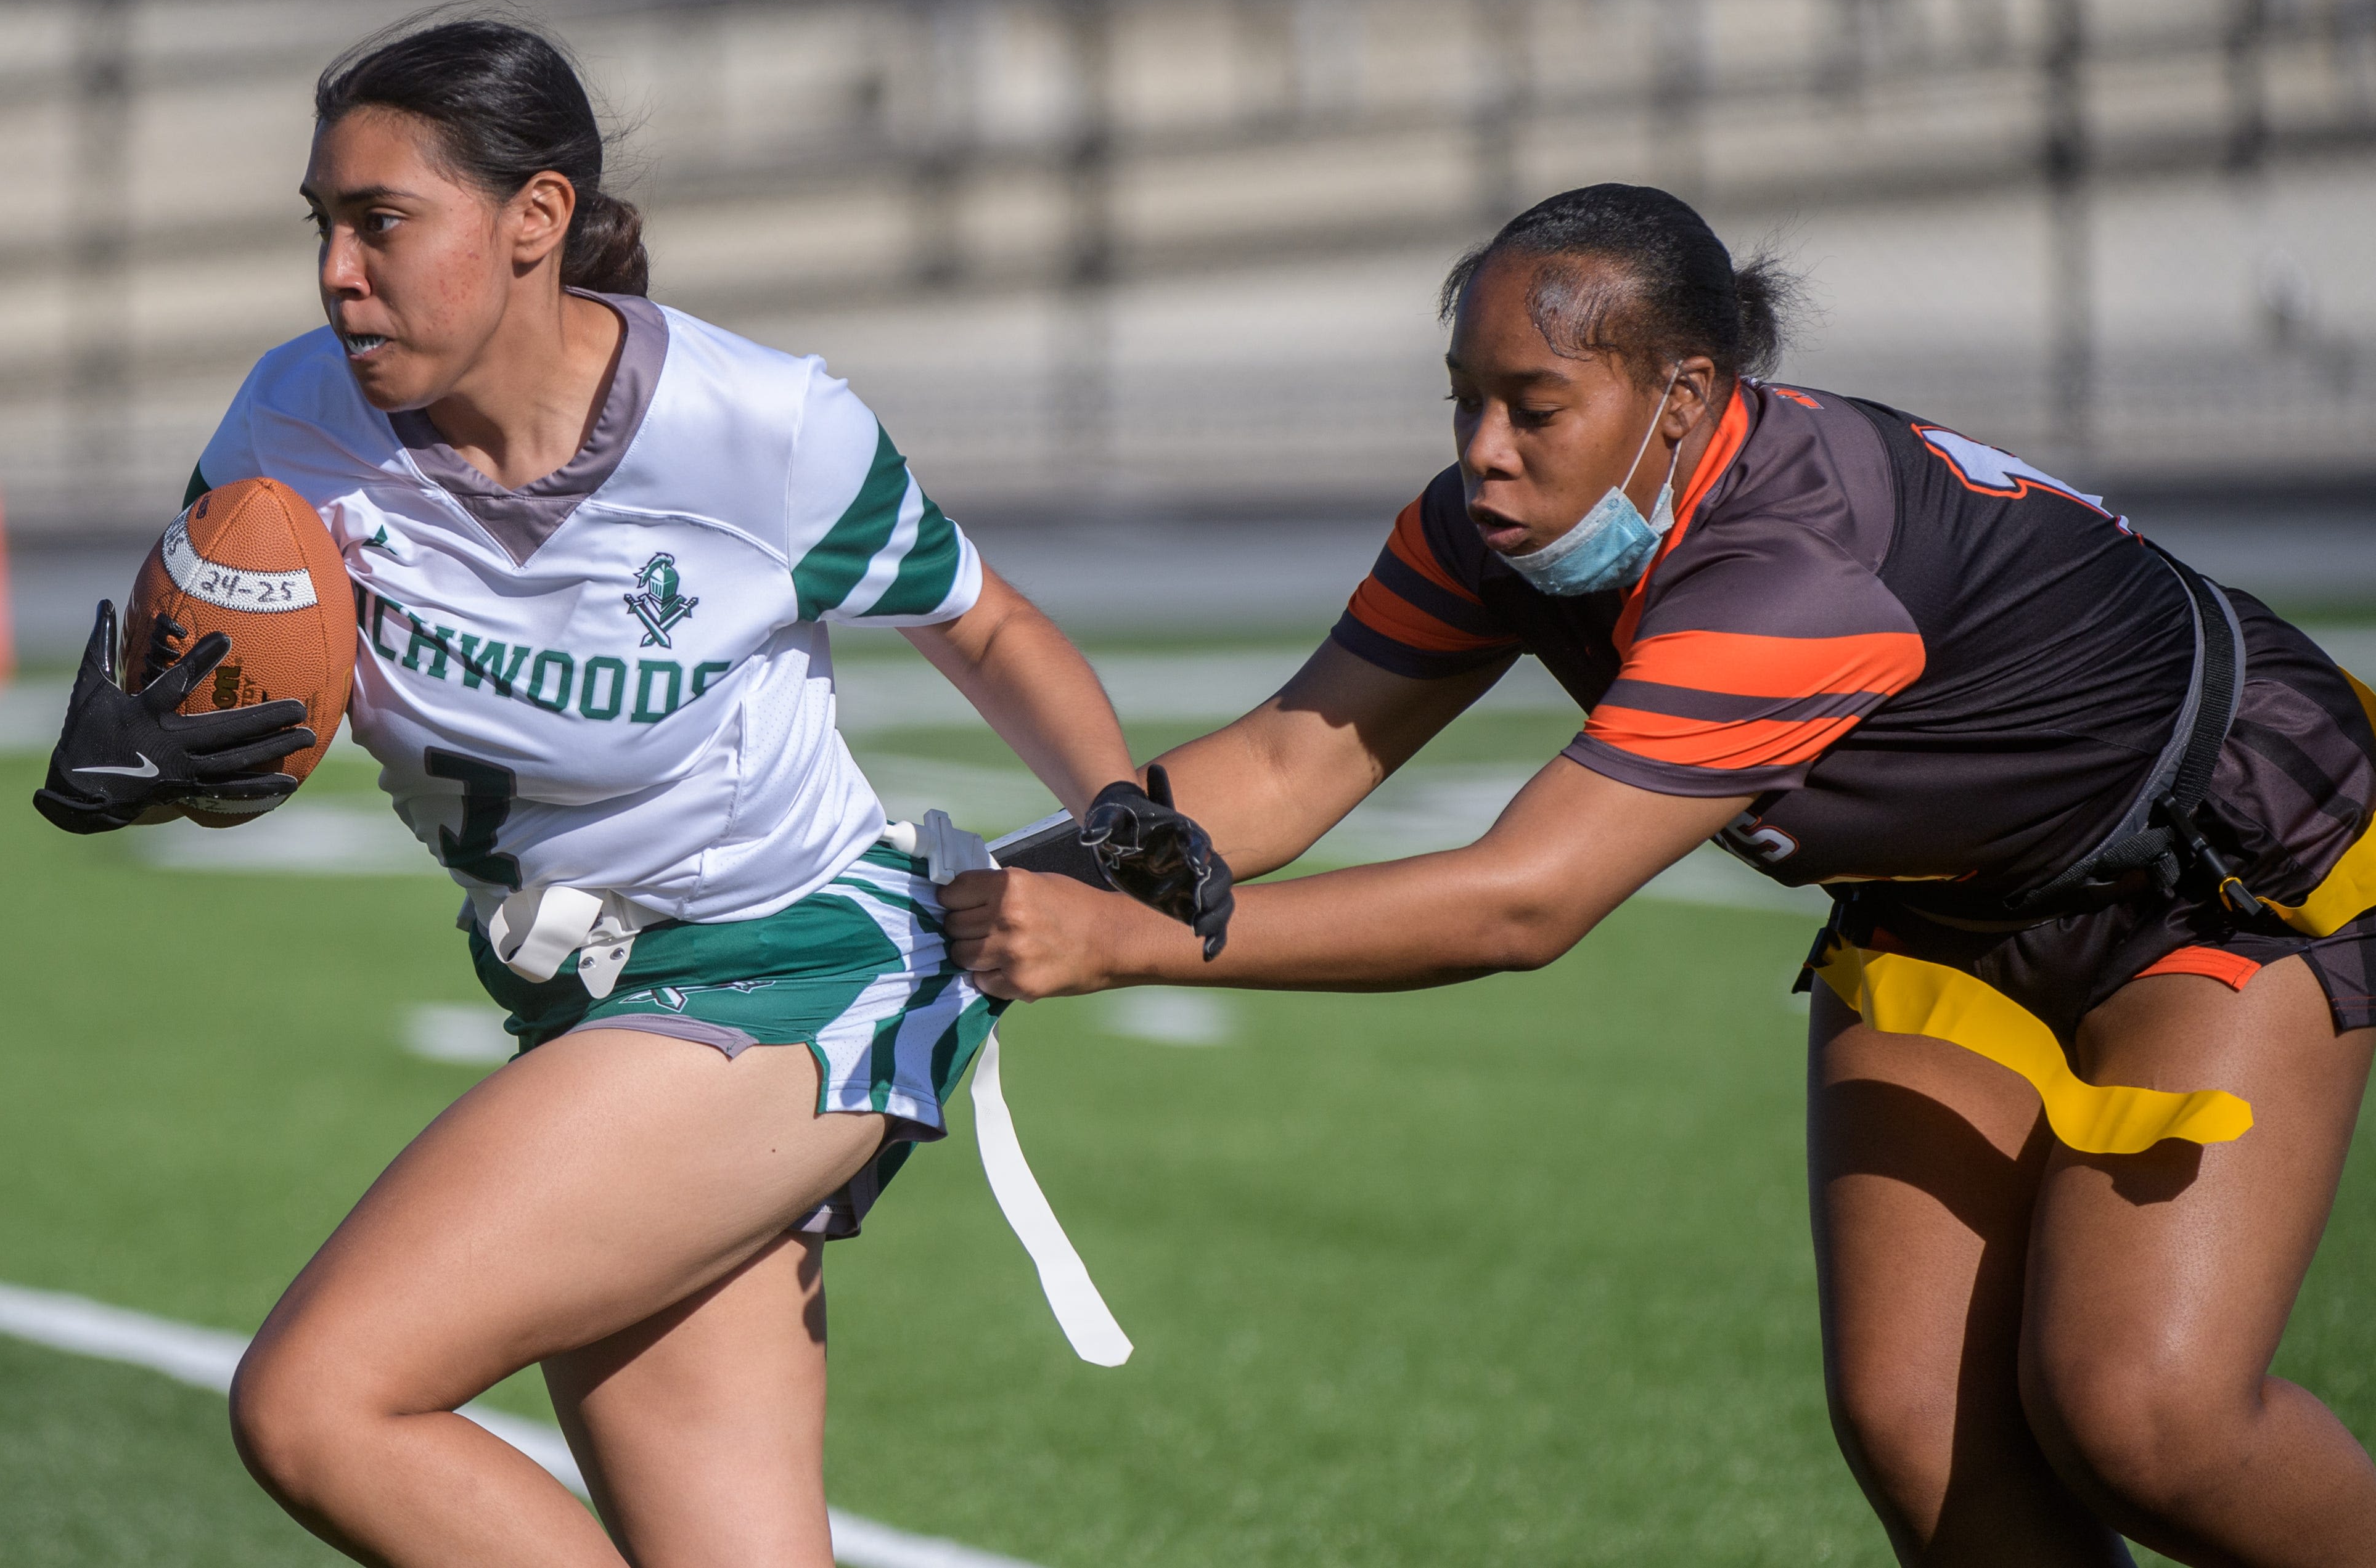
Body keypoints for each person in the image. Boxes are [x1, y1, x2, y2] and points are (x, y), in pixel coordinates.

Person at [949, 182, 2376, 1565]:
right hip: (1950, 906)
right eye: (1462, 398)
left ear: (1683, 398)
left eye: (1532, 405)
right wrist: (965, 892)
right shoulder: (1489, 524)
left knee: (2144, 1420)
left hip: (2219, 877)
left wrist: (1118, 944)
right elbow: (1278, 771)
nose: (1482, 449)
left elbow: (1524, 901)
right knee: (1914, 1431)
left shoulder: (1795, 570)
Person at [31, 15, 1223, 1568]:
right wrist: (131, 774)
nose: (336, 271)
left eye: (381, 221)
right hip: (582, 1004)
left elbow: (982, 621)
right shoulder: (286, 420)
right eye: (322, 225)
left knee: (321, 1404)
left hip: (795, 968)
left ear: (533, 220)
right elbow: (227, 714)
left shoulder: (764, 428)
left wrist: (1119, 804)